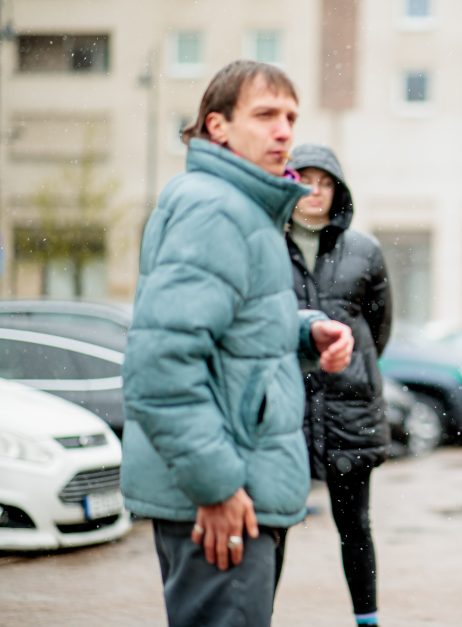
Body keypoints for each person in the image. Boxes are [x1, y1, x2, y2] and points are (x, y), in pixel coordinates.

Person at [120, 60, 354, 627]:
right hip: (225, 500)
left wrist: (303, 332)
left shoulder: (242, 208)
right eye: (266, 114)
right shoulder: (214, 209)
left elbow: (225, 331)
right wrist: (217, 486)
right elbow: (160, 368)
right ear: (217, 126)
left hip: (240, 489)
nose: (284, 132)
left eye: (291, 117)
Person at [285, 143, 392, 627]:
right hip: (286, 408)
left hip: (349, 411)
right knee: (274, 524)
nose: (315, 192)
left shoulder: (365, 251)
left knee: (355, 526)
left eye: (325, 182)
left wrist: (350, 367)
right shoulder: (267, 244)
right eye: (306, 180)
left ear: (338, 191)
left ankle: (366, 619)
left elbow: (379, 328)